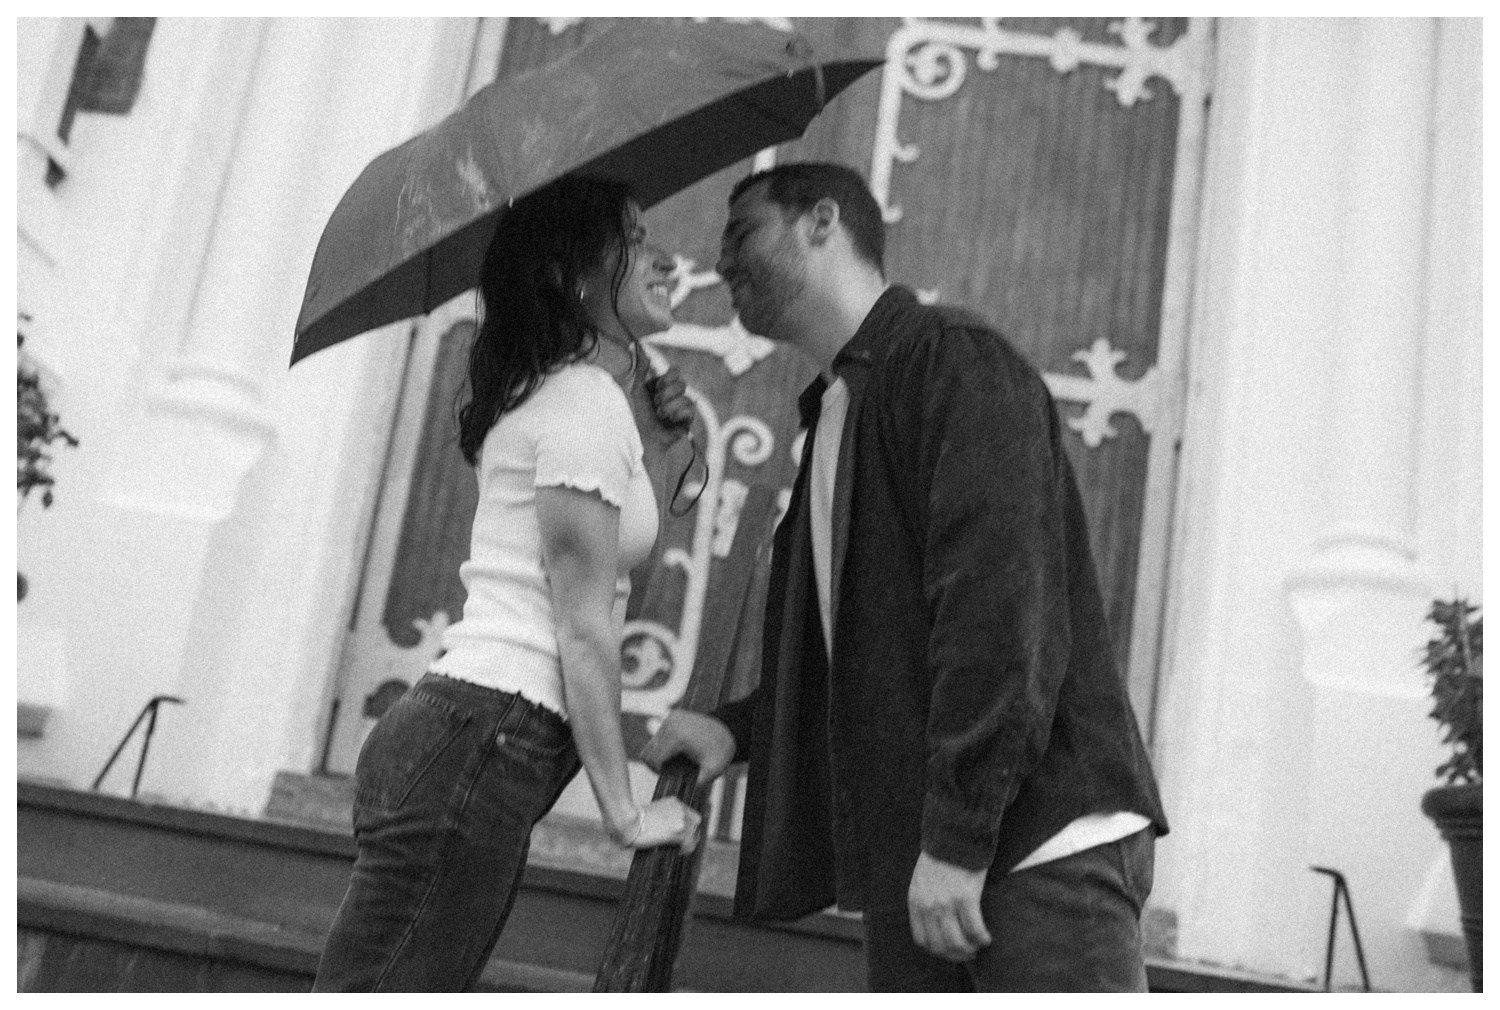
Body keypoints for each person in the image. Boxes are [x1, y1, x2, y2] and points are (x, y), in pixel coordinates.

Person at [643, 162, 1169, 991]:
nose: (722, 262)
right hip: (929, 859)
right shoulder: (838, 409)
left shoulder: (952, 361)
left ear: (823, 221)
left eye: (742, 232)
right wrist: (738, 731)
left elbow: (1000, 613)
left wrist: (959, 840)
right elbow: (866, 652)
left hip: (1027, 846)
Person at [314, 176, 703, 992]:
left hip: (473, 742)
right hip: (480, 739)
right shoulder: (581, 402)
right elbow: (582, 629)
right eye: (635, 239)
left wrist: (662, 445)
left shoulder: (574, 398)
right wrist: (625, 814)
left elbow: (612, 568)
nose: (668, 260)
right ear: (572, 277)